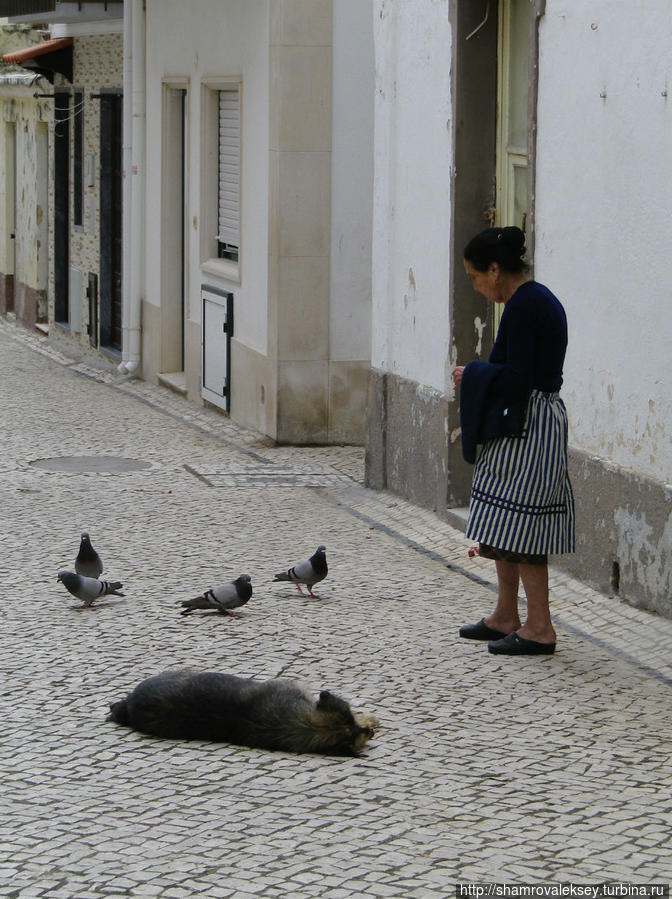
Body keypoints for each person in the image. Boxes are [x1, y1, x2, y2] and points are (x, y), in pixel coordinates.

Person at [452, 225, 574, 656]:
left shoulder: (526, 305)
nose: (477, 286)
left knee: (525, 524)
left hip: (531, 424)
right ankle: (506, 614)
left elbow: (518, 378)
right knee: (505, 518)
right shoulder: (528, 300)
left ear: (495, 268)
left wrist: (473, 374)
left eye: (475, 276)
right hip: (522, 423)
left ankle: (540, 627)